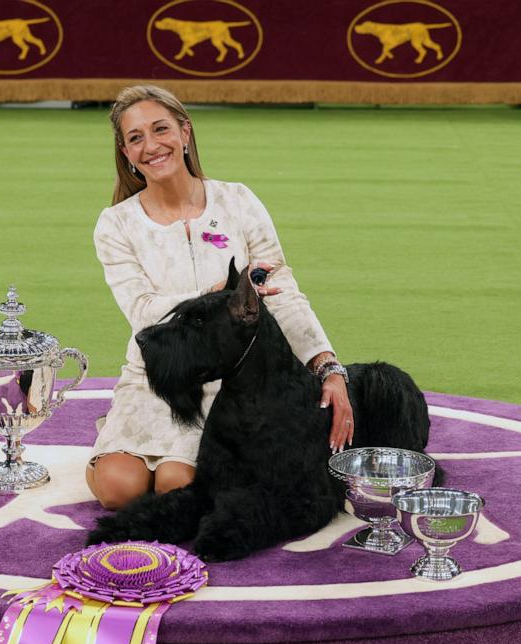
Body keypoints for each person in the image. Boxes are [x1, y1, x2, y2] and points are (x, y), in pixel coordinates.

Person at [86, 84, 353, 510]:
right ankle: (114, 432)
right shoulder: (115, 224)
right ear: (124, 150)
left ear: (185, 131)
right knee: (119, 489)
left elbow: (282, 294)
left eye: (161, 130)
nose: (151, 146)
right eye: (136, 138)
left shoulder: (239, 201)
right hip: (155, 379)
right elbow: (142, 313)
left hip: (230, 383)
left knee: (179, 485)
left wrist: (328, 366)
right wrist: (217, 297)